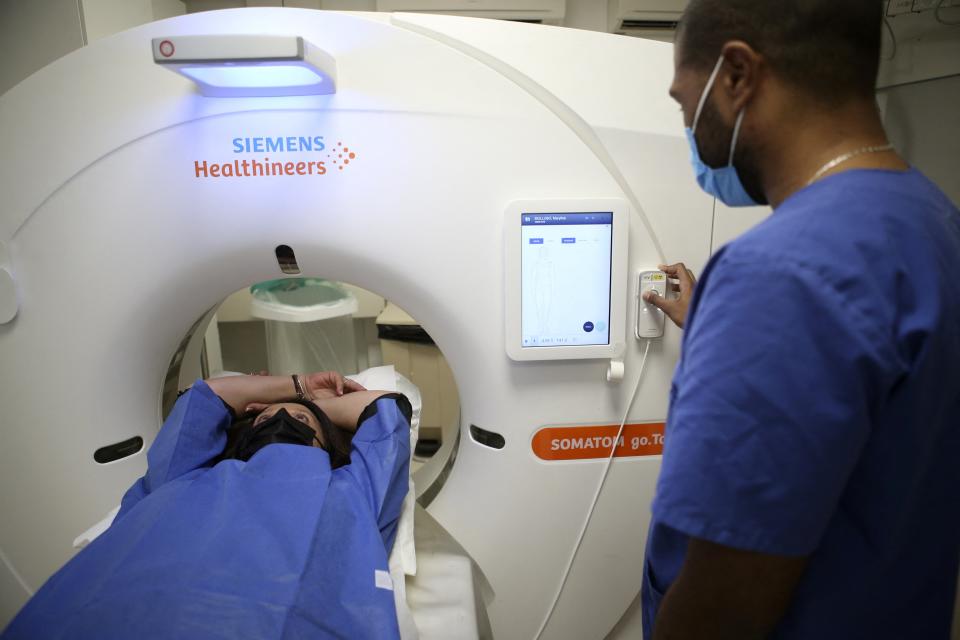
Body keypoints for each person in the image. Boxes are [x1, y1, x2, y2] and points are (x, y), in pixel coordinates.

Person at [639, 1, 960, 639]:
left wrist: (746, 312)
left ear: (736, 75)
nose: (689, 128)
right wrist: (718, 326)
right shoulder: (931, 219)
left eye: (684, 105)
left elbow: (724, 607)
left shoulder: (777, 274)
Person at [3, 371, 412, 639]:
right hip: (124, 605)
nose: (281, 420)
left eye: (302, 425)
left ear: (328, 440)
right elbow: (211, 395)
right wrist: (298, 387)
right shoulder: (185, 472)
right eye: (267, 417)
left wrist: (311, 409)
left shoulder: (351, 484)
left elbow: (384, 410)